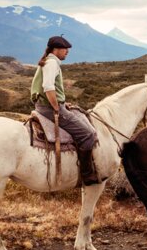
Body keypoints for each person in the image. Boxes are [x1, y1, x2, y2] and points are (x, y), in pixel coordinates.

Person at [30, 35, 100, 185]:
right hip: (49, 108)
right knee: (87, 134)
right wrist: (57, 107)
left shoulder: (48, 61)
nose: (67, 51)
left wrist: (61, 101)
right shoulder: (52, 63)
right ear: (56, 49)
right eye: (65, 49)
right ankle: (87, 174)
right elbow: (48, 87)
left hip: (45, 105)